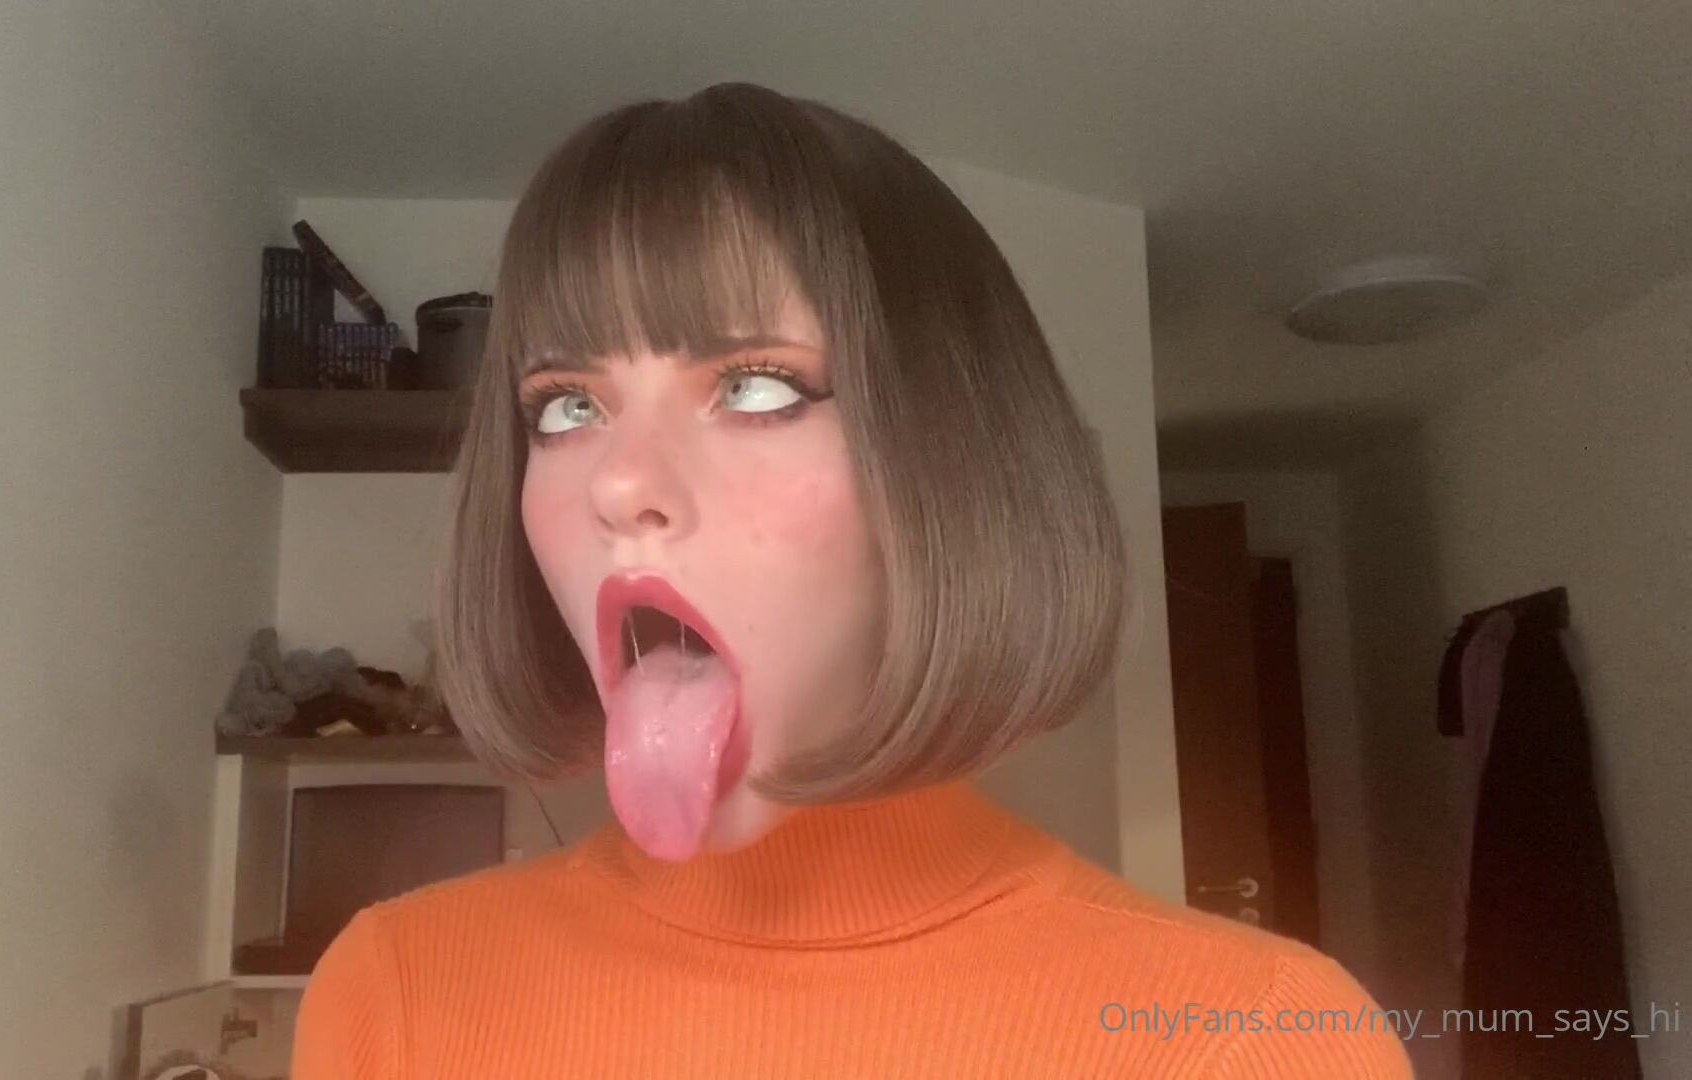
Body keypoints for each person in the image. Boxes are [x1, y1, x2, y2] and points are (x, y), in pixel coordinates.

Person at [291, 82, 1412, 1078]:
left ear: (948, 460)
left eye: (757, 388)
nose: (620, 482)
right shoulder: (394, 991)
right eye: (567, 406)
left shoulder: (1259, 1041)